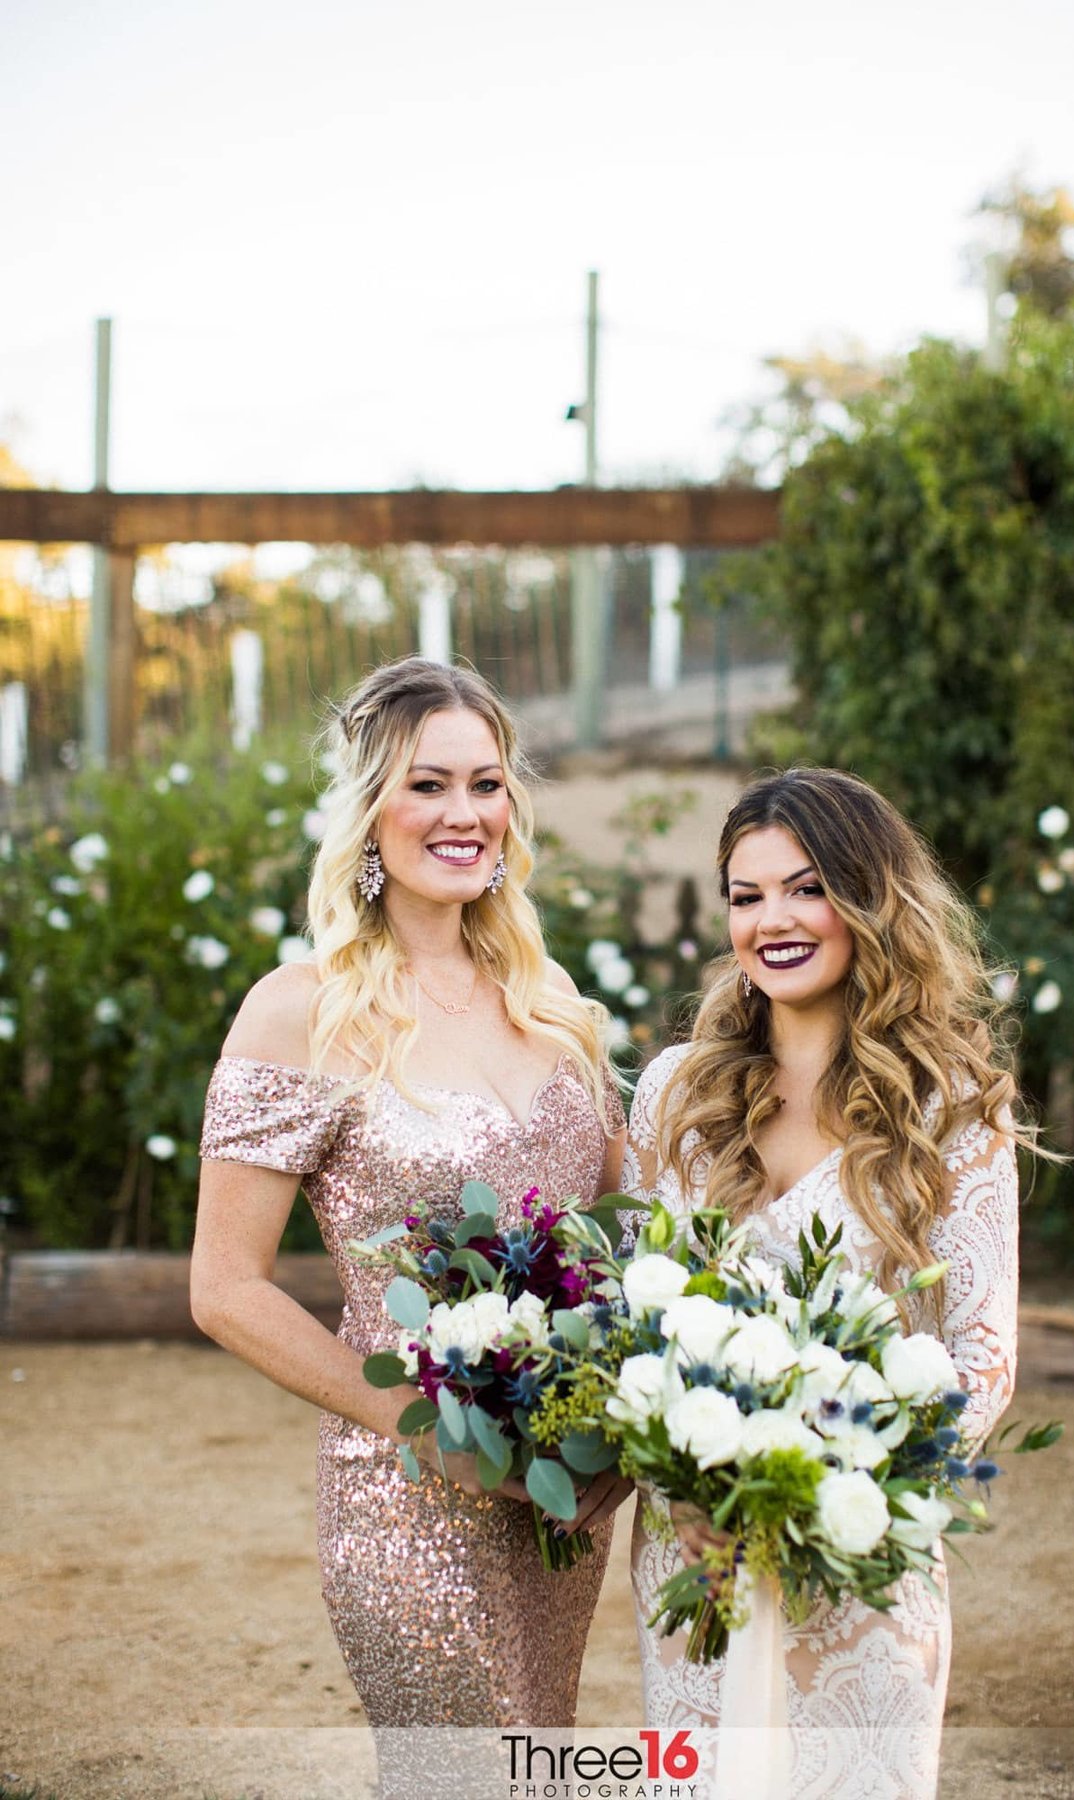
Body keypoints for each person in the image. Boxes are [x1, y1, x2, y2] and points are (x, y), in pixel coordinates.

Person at [191, 658, 629, 1790]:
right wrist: (423, 1429)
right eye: (428, 785)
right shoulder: (301, 1010)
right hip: (407, 1501)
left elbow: (628, 1241)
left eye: (486, 785)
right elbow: (225, 1289)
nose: (464, 814)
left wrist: (621, 1437)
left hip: (561, 1496)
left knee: (540, 1762)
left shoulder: (556, 1004)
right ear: (370, 809)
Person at [621, 767, 1025, 1799]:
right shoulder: (679, 1092)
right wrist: (686, 1481)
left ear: (868, 900)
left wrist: (836, 1488)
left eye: (806, 888)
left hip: (858, 1551)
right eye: (746, 896)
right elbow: (636, 1316)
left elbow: (981, 1358)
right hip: (695, 1551)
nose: (773, 920)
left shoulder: (952, 1107)